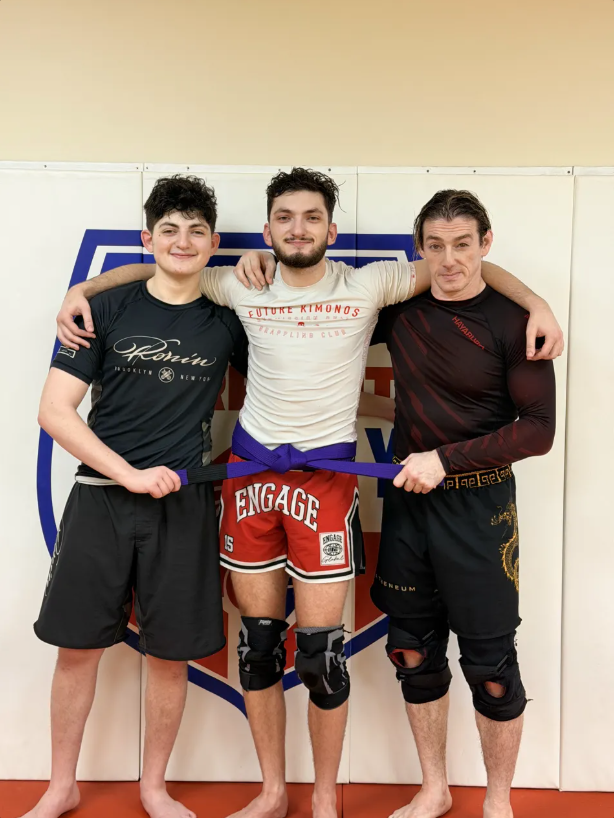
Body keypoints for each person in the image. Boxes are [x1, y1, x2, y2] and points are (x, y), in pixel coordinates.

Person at [55, 169, 563, 818]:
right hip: (250, 482)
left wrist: (537, 301)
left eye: (312, 217)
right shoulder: (239, 280)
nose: (299, 228)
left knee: (324, 656)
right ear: (268, 231)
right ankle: (272, 791)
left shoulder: (373, 282)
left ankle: (324, 799)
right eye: (286, 218)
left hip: (327, 484)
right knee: (259, 645)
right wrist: (84, 288)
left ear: (332, 228)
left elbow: (458, 265)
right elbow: (164, 272)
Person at [24, 176, 249, 818]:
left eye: (197, 231)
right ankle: (61, 785)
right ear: (148, 239)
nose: (183, 241)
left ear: (211, 244)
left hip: (180, 504)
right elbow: (55, 412)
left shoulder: (225, 321)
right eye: (169, 229)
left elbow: (279, 398)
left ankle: (154, 788)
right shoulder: (108, 309)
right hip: (102, 498)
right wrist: (126, 473)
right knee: (77, 648)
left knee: (170, 654)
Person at [369, 190, 556, 818]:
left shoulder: (512, 321)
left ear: (486, 243)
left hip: (480, 510)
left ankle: (497, 802)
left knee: (492, 665)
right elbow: (314, 315)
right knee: (412, 652)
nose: (450, 260)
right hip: (407, 506)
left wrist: (444, 460)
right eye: (436, 245)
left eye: (464, 244)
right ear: (419, 248)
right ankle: (434, 788)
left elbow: (538, 428)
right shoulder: (400, 309)